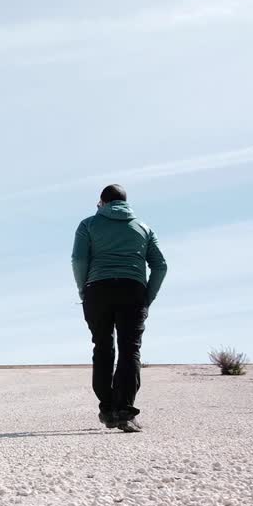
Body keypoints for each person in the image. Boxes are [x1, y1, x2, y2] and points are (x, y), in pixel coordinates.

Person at [71, 184, 167, 433]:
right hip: (132, 290)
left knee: (102, 347)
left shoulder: (88, 224)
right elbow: (160, 266)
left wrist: (84, 290)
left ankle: (107, 409)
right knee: (130, 349)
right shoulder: (143, 228)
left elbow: (79, 259)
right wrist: (148, 297)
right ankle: (124, 410)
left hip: (97, 289)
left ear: (102, 203)